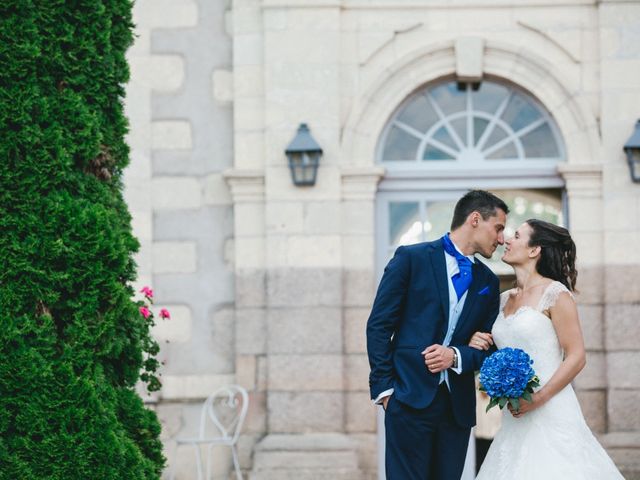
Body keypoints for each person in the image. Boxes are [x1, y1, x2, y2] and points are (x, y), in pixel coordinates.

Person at [366, 190, 508, 480]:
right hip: (406, 398)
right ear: (475, 219)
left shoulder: (488, 282)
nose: (502, 238)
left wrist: (456, 355)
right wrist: (386, 391)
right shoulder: (411, 259)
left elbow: (489, 349)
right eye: (499, 227)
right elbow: (379, 325)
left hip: (456, 409)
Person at [469, 219, 624, 479]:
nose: (507, 240)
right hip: (514, 414)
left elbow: (576, 356)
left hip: (551, 408)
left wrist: (538, 399)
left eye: (516, 236)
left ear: (534, 250)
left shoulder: (556, 294)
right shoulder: (503, 299)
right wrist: (477, 339)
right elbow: (497, 348)